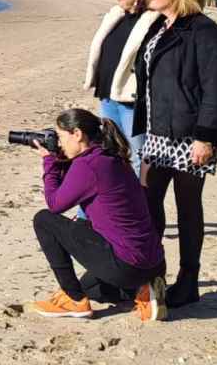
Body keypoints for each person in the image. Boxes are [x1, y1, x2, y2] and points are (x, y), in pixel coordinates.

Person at [133, 0, 217, 308]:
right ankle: (151, 273)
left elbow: (216, 89)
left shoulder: (205, 31)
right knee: (146, 203)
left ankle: (188, 280)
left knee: (188, 208)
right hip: (157, 131)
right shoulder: (159, 26)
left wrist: (206, 137)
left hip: (192, 135)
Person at [29, 108, 168, 321]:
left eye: (61, 137)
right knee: (95, 290)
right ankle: (144, 292)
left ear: (77, 134)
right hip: (153, 262)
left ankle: (73, 300)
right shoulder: (113, 157)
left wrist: (50, 163)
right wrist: (60, 160)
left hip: (126, 263)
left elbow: (55, 204)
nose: (59, 143)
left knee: (44, 220)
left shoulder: (88, 165)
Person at [84, 0, 162, 180]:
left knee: (139, 154)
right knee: (110, 152)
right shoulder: (116, 17)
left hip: (131, 100)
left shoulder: (152, 23)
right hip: (108, 96)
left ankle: (140, 202)